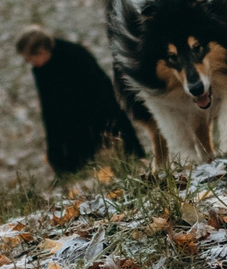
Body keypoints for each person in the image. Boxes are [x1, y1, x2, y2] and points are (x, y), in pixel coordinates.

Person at [16, 26, 146, 174]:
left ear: (41, 50)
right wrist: (53, 146)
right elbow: (49, 107)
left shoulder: (74, 54)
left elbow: (101, 88)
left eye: (31, 59)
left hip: (98, 112)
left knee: (124, 156)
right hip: (71, 122)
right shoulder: (40, 70)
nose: (32, 64)